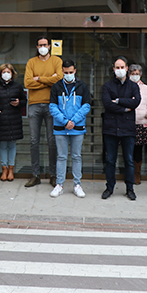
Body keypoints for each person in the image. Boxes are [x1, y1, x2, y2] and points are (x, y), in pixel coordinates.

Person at [23, 36, 63, 188]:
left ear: (50, 46)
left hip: (52, 105)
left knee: (52, 141)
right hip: (34, 105)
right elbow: (27, 82)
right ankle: (35, 175)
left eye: (45, 44)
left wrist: (38, 78)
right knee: (34, 141)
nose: (43, 47)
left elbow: (59, 79)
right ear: (37, 46)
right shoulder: (31, 62)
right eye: (40, 45)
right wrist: (48, 79)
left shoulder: (57, 61)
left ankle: (53, 175)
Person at [49, 59, 91, 198]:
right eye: (66, 72)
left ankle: (77, 185)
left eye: (71, 72)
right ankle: (59, 184)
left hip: (77, 127)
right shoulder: (56, 87)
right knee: (61, 156)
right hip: (60, 127)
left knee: (76, 156)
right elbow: (52, 107)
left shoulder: (82, 86)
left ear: (75, 71)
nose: (68, 74)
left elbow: (86, 106)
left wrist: (73, 120)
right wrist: (65, 121)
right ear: (62, 71)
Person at [101, 56, 141, 200]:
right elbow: (107, 104)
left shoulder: (134, 86)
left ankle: (130, 188)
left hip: (127, 128)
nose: (119, 70)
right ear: (113, 69)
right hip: (110, 128)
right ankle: (109, 187)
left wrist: (117, 101)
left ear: (126, 68)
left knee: (129, 160)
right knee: (110, 160)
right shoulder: (107, 86)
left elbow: (136, 102)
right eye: (117, 68)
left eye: (122, 67)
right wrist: (125, 107)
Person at [0, 63, 26, 182]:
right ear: (0, 74)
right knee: (3, 146)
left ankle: (11, 169)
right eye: (4, 72)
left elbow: (24, 101)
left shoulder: (18, 86)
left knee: (12, 145)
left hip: (14, 119)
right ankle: (4, 169)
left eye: (8, 72)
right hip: (1, 119)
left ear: (12, 74)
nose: (6, 74)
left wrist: (18, 102)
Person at [129, 64, 147, 185]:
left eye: (137, 74)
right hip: (127, 124)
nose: (135, 76)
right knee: (127, 150)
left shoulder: (146, 88)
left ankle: (137, 174)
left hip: (141, 124)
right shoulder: (125, 87)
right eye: (133, 73)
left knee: (138, 151)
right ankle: (128, 173)